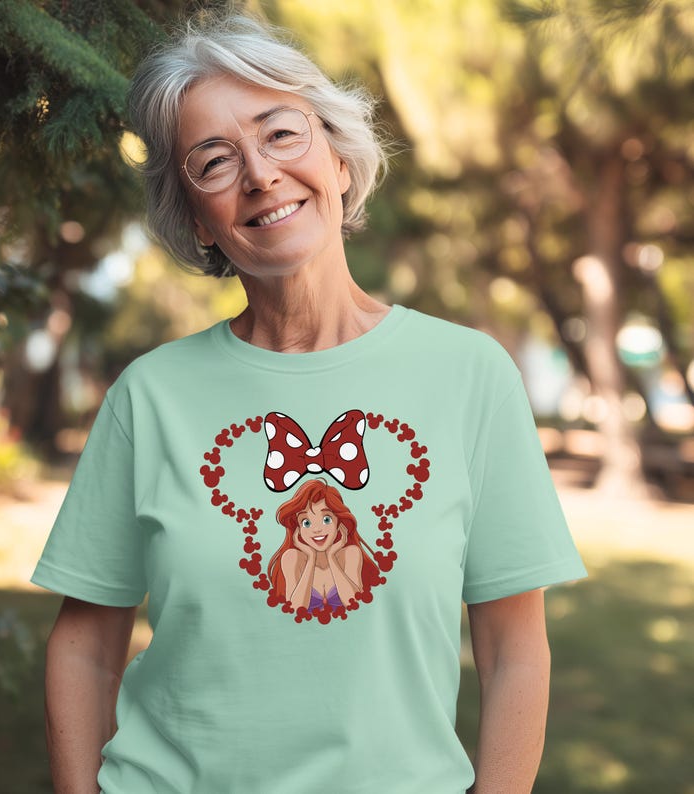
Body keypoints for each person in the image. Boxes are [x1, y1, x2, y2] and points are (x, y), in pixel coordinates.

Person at [32, 12, 587, 794]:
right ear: (197, 221)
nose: (260, 174)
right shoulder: (148, 397)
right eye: (214, 161)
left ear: (338, 157)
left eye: (281, 134)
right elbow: (86, 648)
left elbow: (516, 652)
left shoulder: (472, 375)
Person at [267, 477, 380, 612]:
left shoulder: (351, 553)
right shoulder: (292, 557)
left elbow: (354, 603)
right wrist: (311, 558)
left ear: (338, 522)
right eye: (306, 522)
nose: (316, 529)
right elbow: (296, 609)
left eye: (326, 519)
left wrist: (332, 558)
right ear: (298, 529)